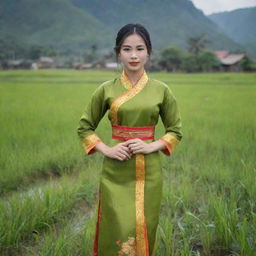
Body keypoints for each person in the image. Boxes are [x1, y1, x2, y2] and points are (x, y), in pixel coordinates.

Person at [77, 23, 182, 256]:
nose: (133, 55)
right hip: (116, 169)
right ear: (118, 53)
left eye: (139, 49)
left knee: (145, 224)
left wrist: (150, 145)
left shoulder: (162, 90)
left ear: (149, 52)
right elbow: (85, 128)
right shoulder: (106, 89)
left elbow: (175, 130)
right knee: (114, 225)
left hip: (149, 171)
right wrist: (108, 150)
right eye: (127, 49)